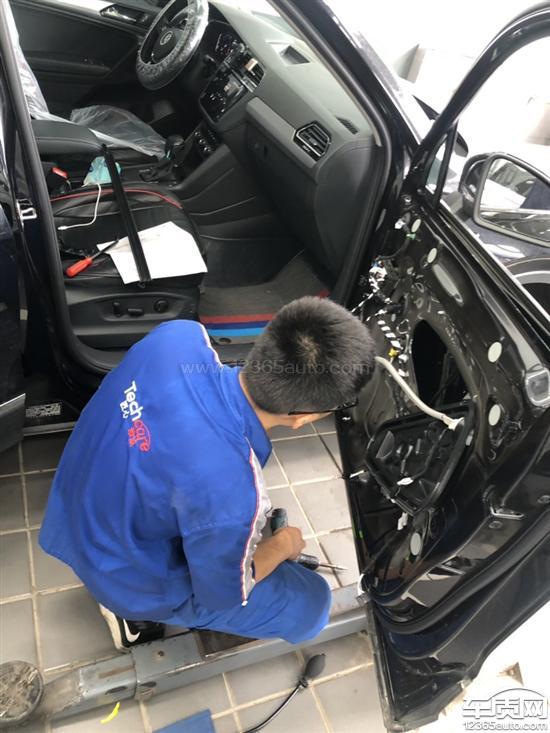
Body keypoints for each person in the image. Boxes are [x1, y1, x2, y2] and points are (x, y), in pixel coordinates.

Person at [39, 297, 375, 650]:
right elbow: (221, 596)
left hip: (73, 509)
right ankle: (133, 613)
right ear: (303, 417)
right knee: (312, 603)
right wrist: (281, 546)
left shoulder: (178, 337)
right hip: (121, 573)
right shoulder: (233, 493)